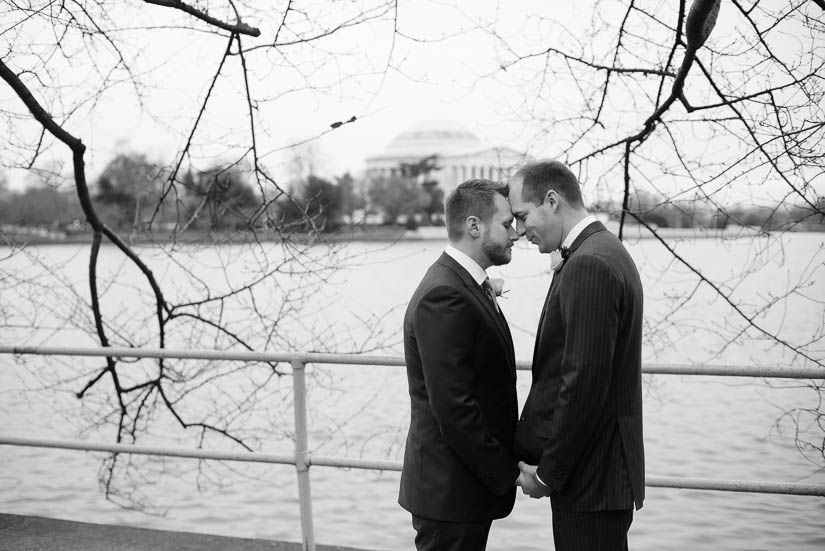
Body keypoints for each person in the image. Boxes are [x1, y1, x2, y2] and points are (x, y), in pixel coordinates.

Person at [508, 160, 645, 550]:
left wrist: (549, 474)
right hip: (599, 475)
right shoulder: (601, 251)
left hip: (592, 480)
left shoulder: (588, 263)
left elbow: (583, 382)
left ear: (551, 200)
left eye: (522, 216)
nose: (520, 232)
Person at [398, 179, 521, 551]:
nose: (515, 234)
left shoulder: (463, 284)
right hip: (450, 492)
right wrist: (508, 474)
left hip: (461, 489)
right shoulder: (445, 294)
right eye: (506, 224)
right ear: (473, 226)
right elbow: (454, 407)